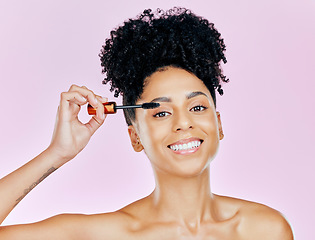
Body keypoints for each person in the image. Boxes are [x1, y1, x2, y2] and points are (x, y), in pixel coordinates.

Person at [0, 7, 294, 239]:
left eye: (197, 107)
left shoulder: (265, 230)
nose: (183, 123)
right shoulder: (108, 235)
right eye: (162, 113)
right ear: (135, 137)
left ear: (218, 124)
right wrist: (57, 153)